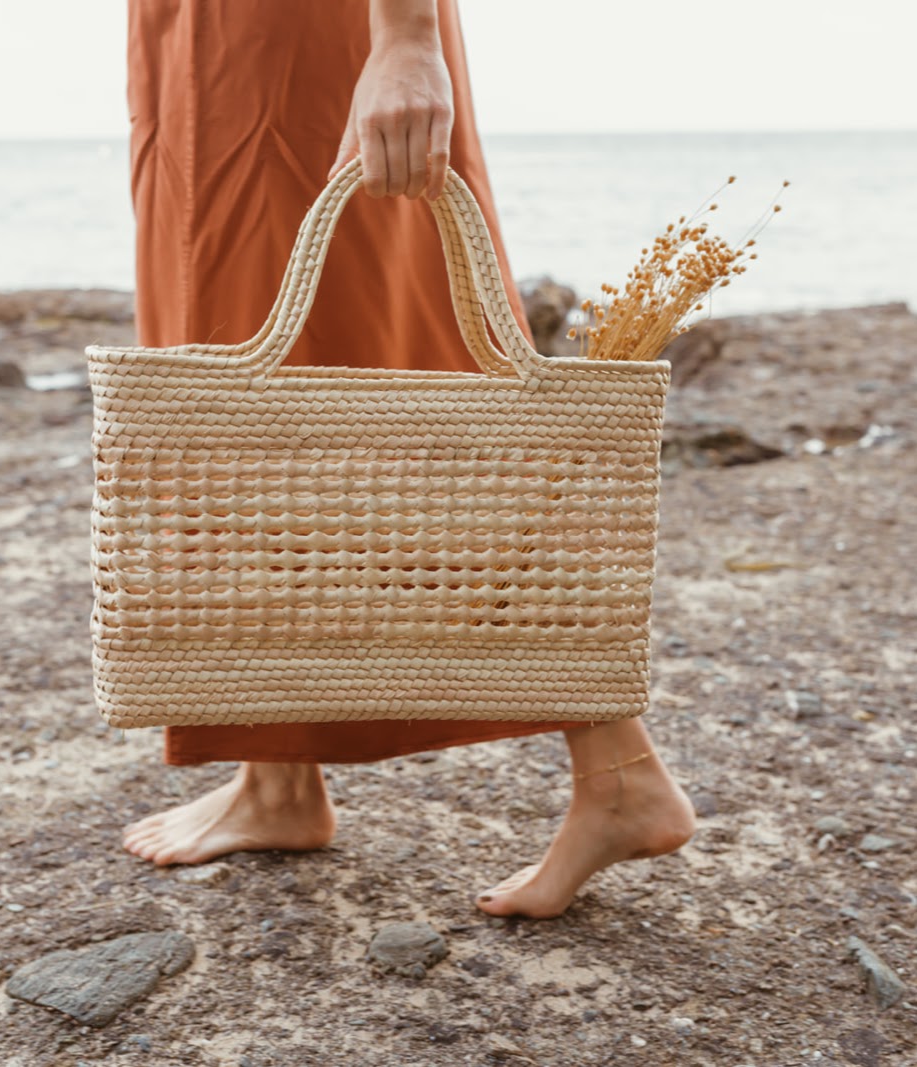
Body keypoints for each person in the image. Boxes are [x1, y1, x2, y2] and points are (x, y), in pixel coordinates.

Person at [120, 0, 695, 919]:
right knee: (238, 402)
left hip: (301, 30)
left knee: (393, 362)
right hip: (193, 39)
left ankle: (619, 765)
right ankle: (278, 777)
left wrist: (404, 39)